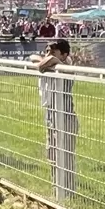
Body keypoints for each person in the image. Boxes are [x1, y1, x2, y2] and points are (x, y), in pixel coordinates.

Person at [36, 39, 78, 199]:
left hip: (65, 117)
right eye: (46, 51)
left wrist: (50, 61)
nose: (48, 55)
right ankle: (57, 189)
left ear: (65, 54)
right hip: (51, 116)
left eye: (53, 52)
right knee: (52, 154)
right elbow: (35, 59)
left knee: (65, 156)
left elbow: (40, 65)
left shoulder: (66, 67)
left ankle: (68, 192)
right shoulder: (52, 64)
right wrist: (50, 58)